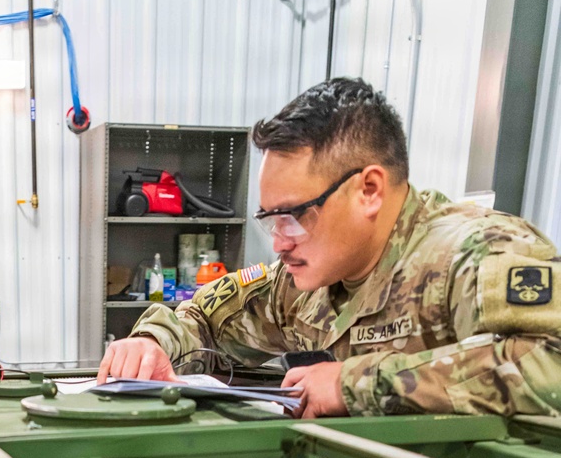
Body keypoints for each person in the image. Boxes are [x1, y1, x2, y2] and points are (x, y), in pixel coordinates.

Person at [97, 77, 561, 418]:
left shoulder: (476, 255)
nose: (278, 242)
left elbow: (550, 361)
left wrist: (355, 385)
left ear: (370, 190)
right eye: (269, 218)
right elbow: (203, 320)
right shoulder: (300, 282)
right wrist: (150, 343)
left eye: (295, 215)